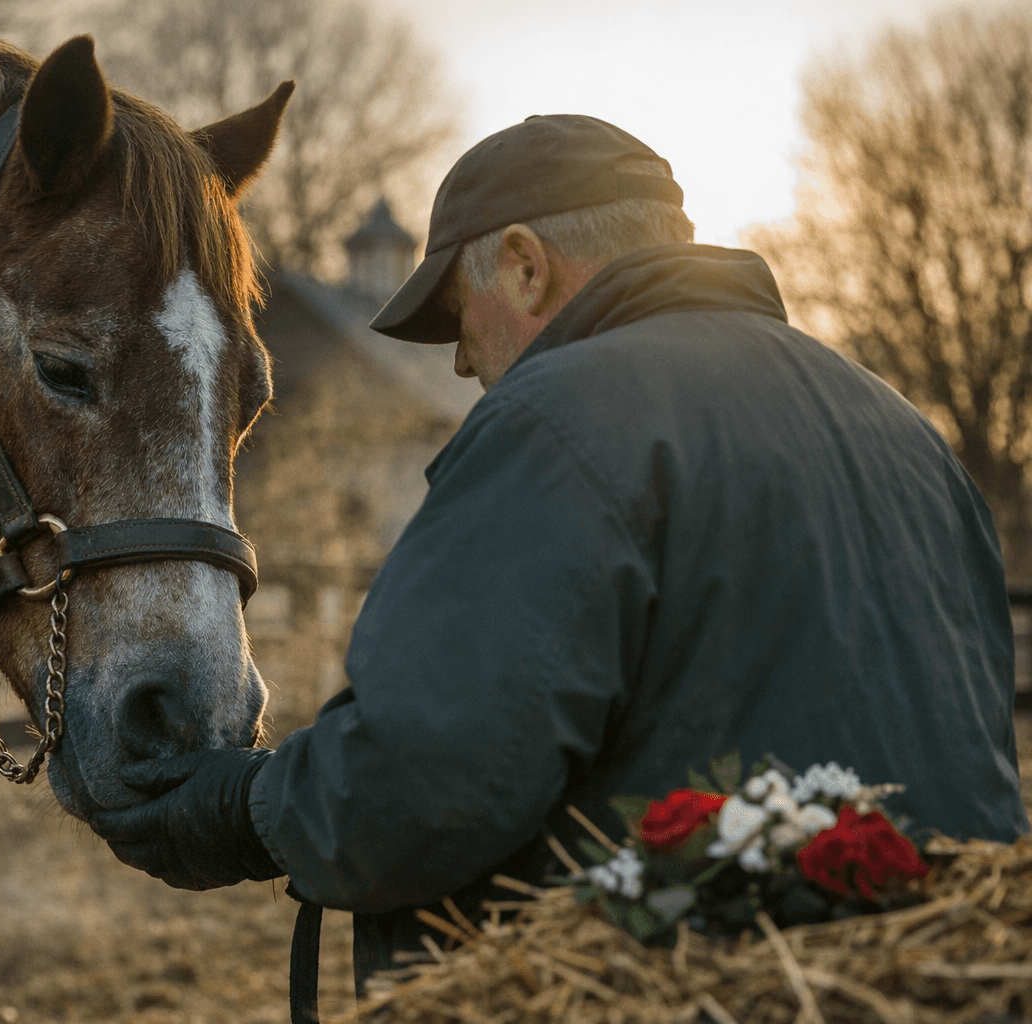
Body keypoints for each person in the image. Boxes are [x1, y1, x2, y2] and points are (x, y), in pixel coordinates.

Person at [90, 114, 1030, 984]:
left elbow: (424, 785)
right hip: (932, 981)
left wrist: (238, 811)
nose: (460, 363)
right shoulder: (907, 435)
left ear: (526, 266)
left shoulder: (559, 420)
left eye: (460, 317)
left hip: (659, 985)